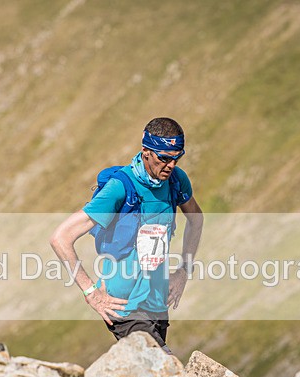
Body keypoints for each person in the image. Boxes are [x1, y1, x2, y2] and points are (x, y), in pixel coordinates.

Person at [50, 117, 203, 354]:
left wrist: (184, 270)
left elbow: (196, 219)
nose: (171, 165)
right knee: (164, 366)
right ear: (146, 152)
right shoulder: (120, 187)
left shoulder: (176, 181)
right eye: (164, 158)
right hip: (124, 306)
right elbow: (61, 237)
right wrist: (91, 293)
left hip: (157, 303)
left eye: (177, 157)